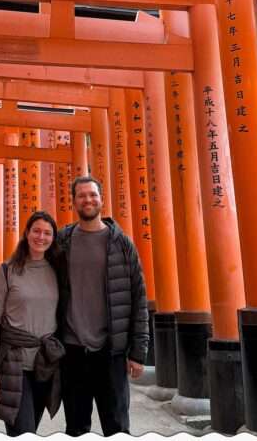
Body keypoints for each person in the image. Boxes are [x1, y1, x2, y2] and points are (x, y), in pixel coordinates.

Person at [56, 176, 149, 436]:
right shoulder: (63, 242)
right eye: (82, 195)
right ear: (74, 201)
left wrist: (138, 352)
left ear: (102, 199)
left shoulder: (121, 244)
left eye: (93, 194)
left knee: (117, 426)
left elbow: (138, 297)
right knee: (76, 426)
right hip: (72, 351)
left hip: (112, 351)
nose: (88, 200)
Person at [0, 211, 65, 436]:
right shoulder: (7, 271)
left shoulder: (58, 271)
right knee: (23, 431)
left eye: (48, 233)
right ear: (27, 233)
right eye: (36, 231)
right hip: (13, 364)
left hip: (44, 366)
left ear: (53, 238)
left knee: (31, 429)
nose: (41, 237)